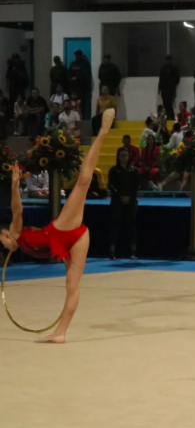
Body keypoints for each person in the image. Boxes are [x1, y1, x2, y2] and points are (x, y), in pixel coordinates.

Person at [0, 110, 115, 343]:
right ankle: (61, 332)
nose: (3, 236)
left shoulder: (16, 232)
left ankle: (102, 131)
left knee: (84, 181)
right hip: (76, 239)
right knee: (71, 286)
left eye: (1, 234)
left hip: (61, 230)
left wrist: (14, 187)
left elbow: (18, 210)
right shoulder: (18, 246)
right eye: (2, 237)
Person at [108, 146, 140, 260]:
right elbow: (111, 186)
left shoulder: (134, 170)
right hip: (117, 202)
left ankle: (134, 251)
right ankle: (112, 252)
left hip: (131, 202)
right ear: (118, 157)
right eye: (121, 155)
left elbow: (137, 186)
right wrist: (120, 196)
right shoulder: (113, 170)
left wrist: (130, 197)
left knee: (131, 226)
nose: (124, 157)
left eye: (126, 155)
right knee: (115, 226)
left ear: (129, 156)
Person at [68, 50, 92, 118]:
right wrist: (71, 79)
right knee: (74, 104)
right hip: (74, 88)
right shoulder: (73, 64)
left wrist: (77, 78)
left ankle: (84, 119)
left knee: (83, 105)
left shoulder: (85, 64)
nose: (76, 56)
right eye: (76, 55)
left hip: (83, 88)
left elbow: (85, 75)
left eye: (78, 55)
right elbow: (69, 73)